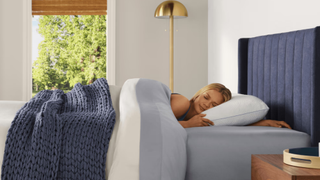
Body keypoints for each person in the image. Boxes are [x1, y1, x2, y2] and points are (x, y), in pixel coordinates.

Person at [171, 83, 292, 129]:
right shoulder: (182, 102)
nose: (206, 105)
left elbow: (232, 120)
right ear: (198, 94)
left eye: (214, 105)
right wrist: (187, 124)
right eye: (206, 97)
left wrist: (266, 123)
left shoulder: (201, 120)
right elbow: (155, 122)